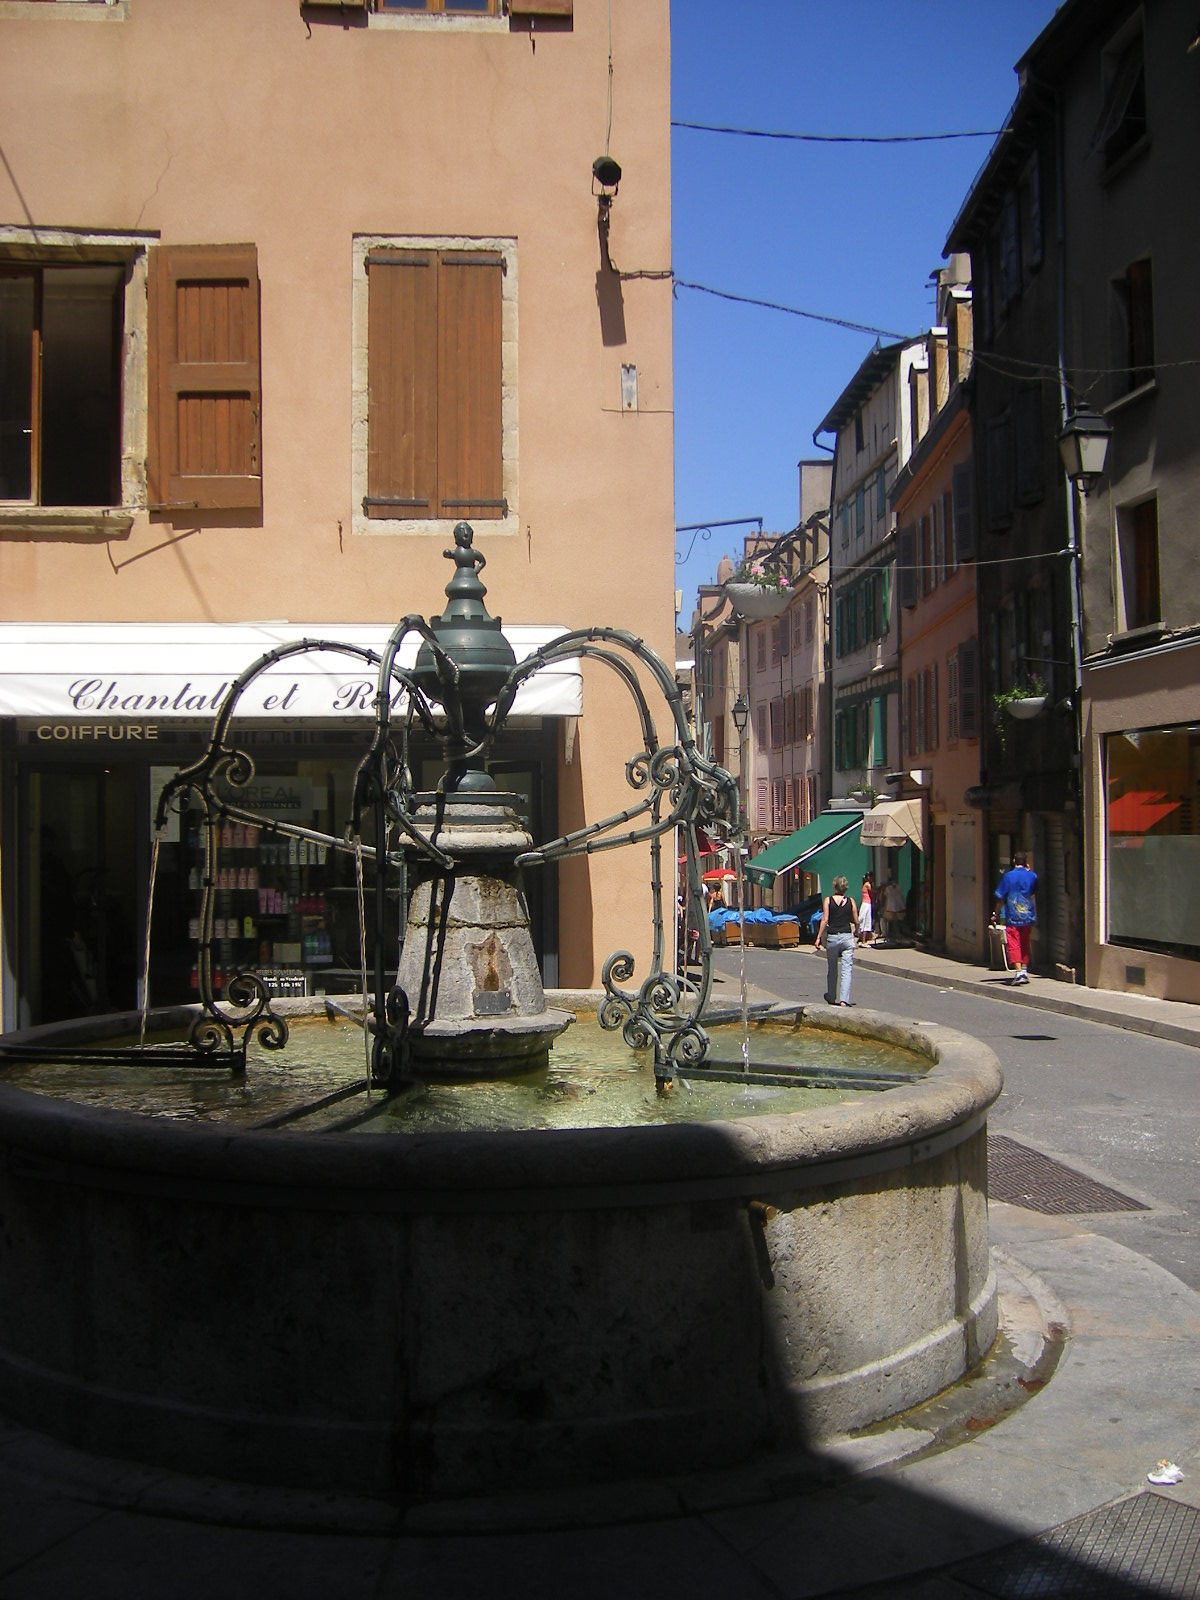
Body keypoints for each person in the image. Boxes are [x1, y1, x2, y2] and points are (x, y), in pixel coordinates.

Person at [992, 849, 1038, 985]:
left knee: (1013, 943)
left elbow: (1000, 897)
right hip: (1027, 913)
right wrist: (1029, 872)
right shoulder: (1032, 876)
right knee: (1024, 941)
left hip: (1012, 914)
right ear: (1026, 863)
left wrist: (995, 913)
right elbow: (1034, 889)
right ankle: (1024, 969)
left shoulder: (1008, 877)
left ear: (1014, 861)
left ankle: (1018, 972)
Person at [813, 874, 859, 1006]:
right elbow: (856, 920)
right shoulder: (851, 901)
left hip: (833, 937)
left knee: (832, 968)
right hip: (847, 937)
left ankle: (831, 996)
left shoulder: (828, 900)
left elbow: (825, 919)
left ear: (834, 886)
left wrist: (818, 937)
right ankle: (844, 1000)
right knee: (847, 969)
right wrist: (859, 932)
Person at [882, 878, 905, 943]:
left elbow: (885, 896)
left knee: (896, 920)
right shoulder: (889, 888)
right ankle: (894, 934)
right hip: (894, 906)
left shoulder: (892, 888)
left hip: (894, 906)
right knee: (894, 920)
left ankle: (896, 933)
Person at [857, 871, 874, 943]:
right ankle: (859, 936)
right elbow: (873, 891)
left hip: (867, 904)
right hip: (866, 904)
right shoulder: (867, 884)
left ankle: (864, 940)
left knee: (866, 921)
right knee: (863, 920)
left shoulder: (867, 884)